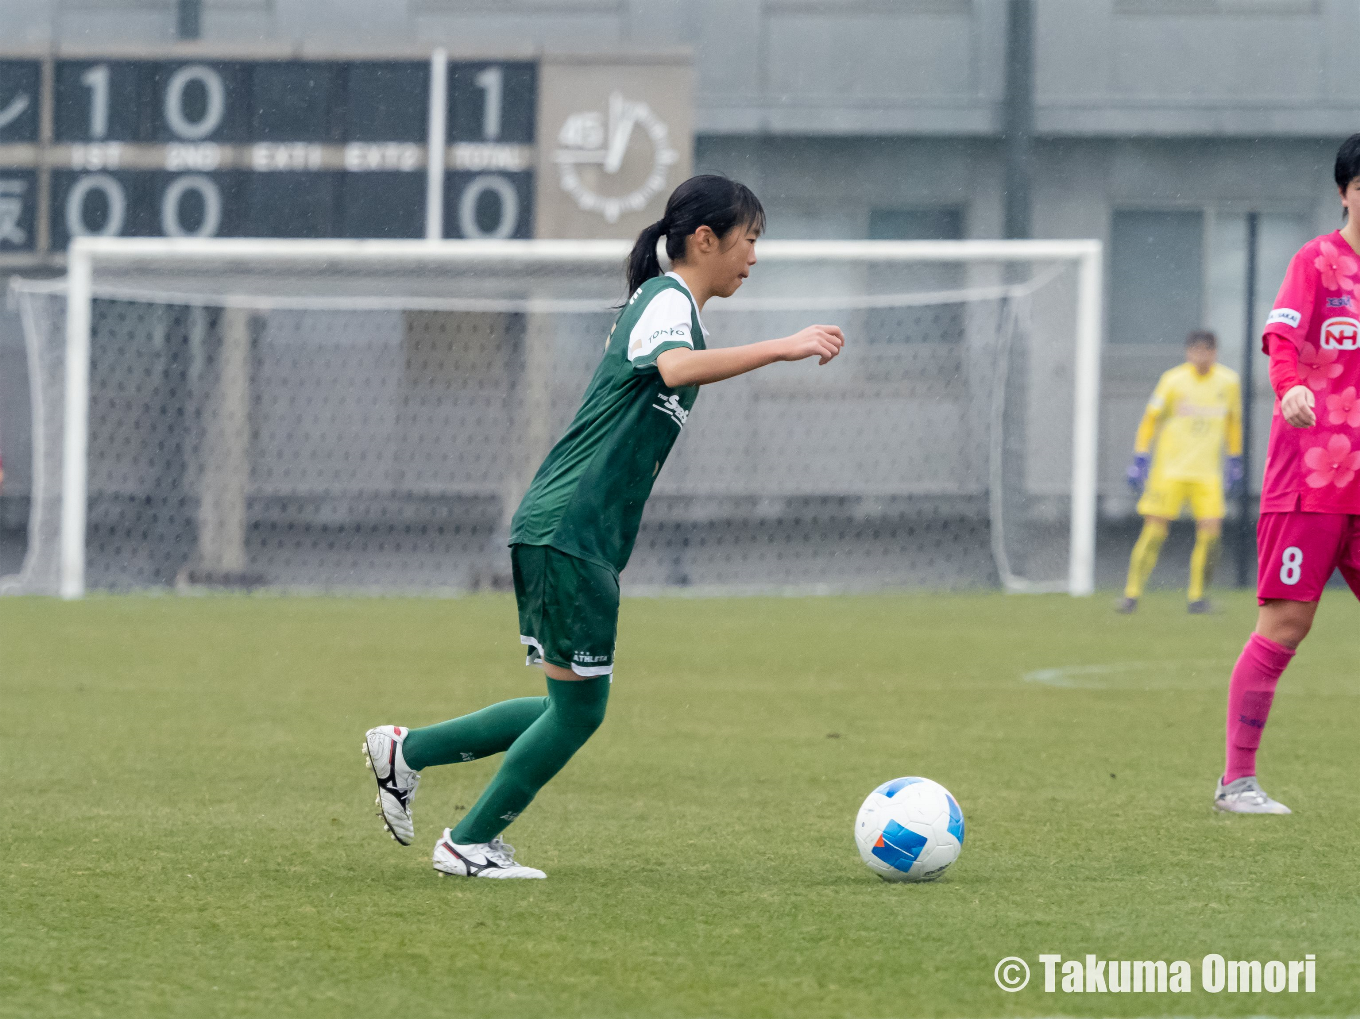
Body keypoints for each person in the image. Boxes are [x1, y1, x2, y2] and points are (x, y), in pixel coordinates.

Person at [362, 175, 846, 876]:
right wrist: (784, 346)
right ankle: (466, 842)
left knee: (572, 702)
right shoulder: (666, 298)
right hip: (571, 526)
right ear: (705, 240)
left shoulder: (673, 305)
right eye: (750, 240)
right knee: (579, 712)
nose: (755, 257)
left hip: (570, 526)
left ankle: (407, 751)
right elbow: (677, 368)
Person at [1214, 133, 1360, 814]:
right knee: (1286, 625)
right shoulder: (1319, 262)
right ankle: (1236, 782)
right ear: (1344, 193)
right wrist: (1289, 388)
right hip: (1311, 480)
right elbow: (1281, 337)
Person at [1118, 331, 1243, 614]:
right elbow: (1150, 419)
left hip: (1207, 474)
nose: (1201, 356)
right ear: (1188, 352)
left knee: (1211, 536)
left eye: (1206, 351)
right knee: (1154, 532)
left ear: (1214, 353)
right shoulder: (1173, 381)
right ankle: (1131, 594)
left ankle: (1197, 597)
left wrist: (1235, 459)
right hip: (1169, 471)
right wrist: (1140, 455)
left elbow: (1233, 423)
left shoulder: (1229, 382)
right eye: (1196, 351)